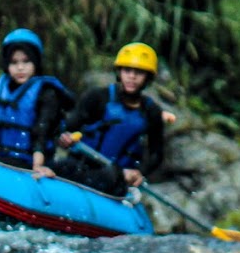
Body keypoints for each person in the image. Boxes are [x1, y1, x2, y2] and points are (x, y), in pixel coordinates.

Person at [56, 42, 165, 195]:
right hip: (81, 165)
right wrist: (65, 137)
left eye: (139, 73)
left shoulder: (151, 112)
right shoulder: (98, 97)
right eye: (127, 70)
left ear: (148, 78)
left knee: (110, 176)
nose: (132, 77)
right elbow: (70, 125)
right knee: (60, 166)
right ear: (119, 72)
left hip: (116, 177)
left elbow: (156, 154)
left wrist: (139, 172)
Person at [0, 28, 73, 176]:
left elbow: (42, 129)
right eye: (14, 62)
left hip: (28, 163)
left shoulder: (47, 93)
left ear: (36, 62)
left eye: (26, 61)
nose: (20, 68)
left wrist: (38, 165)